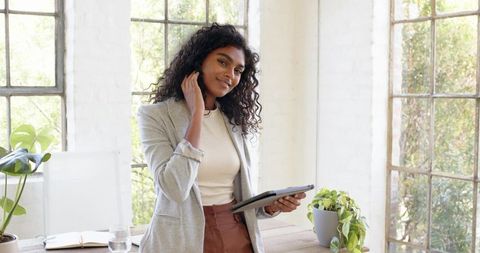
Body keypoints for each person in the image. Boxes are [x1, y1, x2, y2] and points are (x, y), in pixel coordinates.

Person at [137, 23, 306, 253]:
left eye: (238, 70)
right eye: (223, 62)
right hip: (182, 240)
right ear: (199, 60)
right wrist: (197, 114)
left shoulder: (232, 120)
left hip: (237, 235)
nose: (231, 74)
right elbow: (174, 189)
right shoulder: (155, 116)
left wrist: (269, 207)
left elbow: (237, 198)